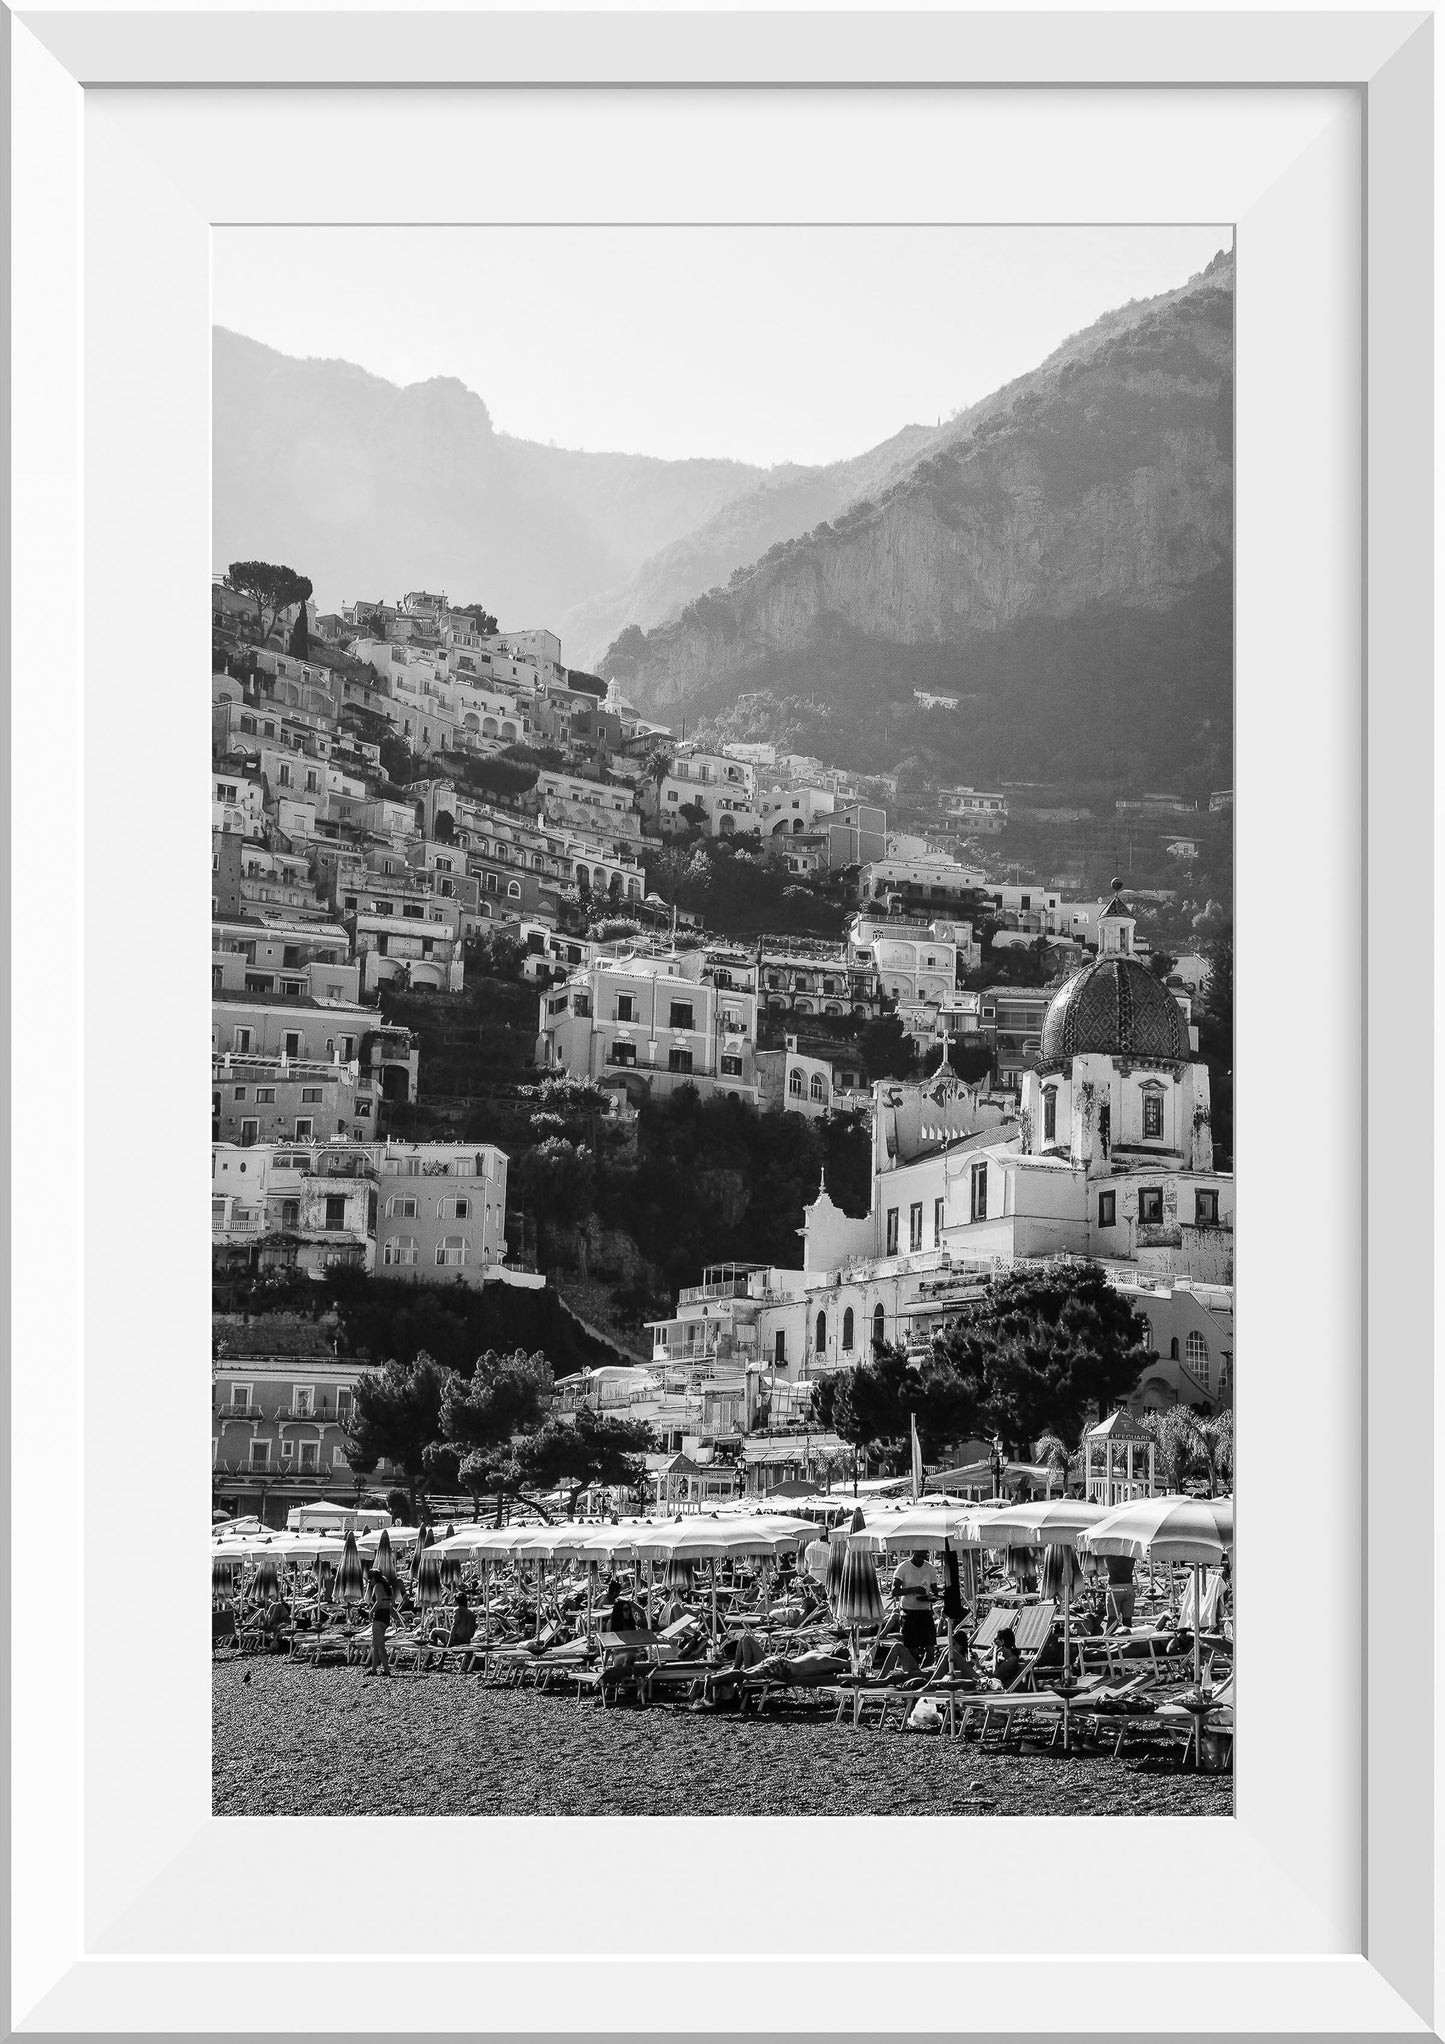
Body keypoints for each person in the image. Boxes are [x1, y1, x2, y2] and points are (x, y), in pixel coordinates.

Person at [891, 1549, 940, 1668]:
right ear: (914, 1554)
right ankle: (913, 1669)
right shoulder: (903, 1567)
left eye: (924, 1557)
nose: (921, 1560)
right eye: (919, 1556)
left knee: (930, 1646)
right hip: (909, 1612)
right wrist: (913, 1589)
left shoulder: (929, 1568)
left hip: (925, 1611)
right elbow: (894, 1591)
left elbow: (934, 1590)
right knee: (911, 1647)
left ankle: (924, 1670)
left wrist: (934, 1597)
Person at [366, 1569, 394, 1677]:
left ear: (374, 1578)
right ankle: (373, 1670)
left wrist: (371, 1611)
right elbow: (391, 1603)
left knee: (380, 1646)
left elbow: (378, 1601)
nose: (369, 1582)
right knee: (375, 1644)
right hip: (386, 1616)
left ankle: (386, 1670)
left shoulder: (378, 1586)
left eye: (370, 1579)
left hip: (379, 1616)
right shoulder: (387, 1587)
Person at [992, 1626, 1022, 1690]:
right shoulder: (1001, 1656)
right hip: (983, 1678)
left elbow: (995, 1673)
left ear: (1002, 1641)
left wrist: (995, 1653)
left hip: (989, 1683)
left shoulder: (1012, 1659)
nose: (993, 1642)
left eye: (995, 1639)